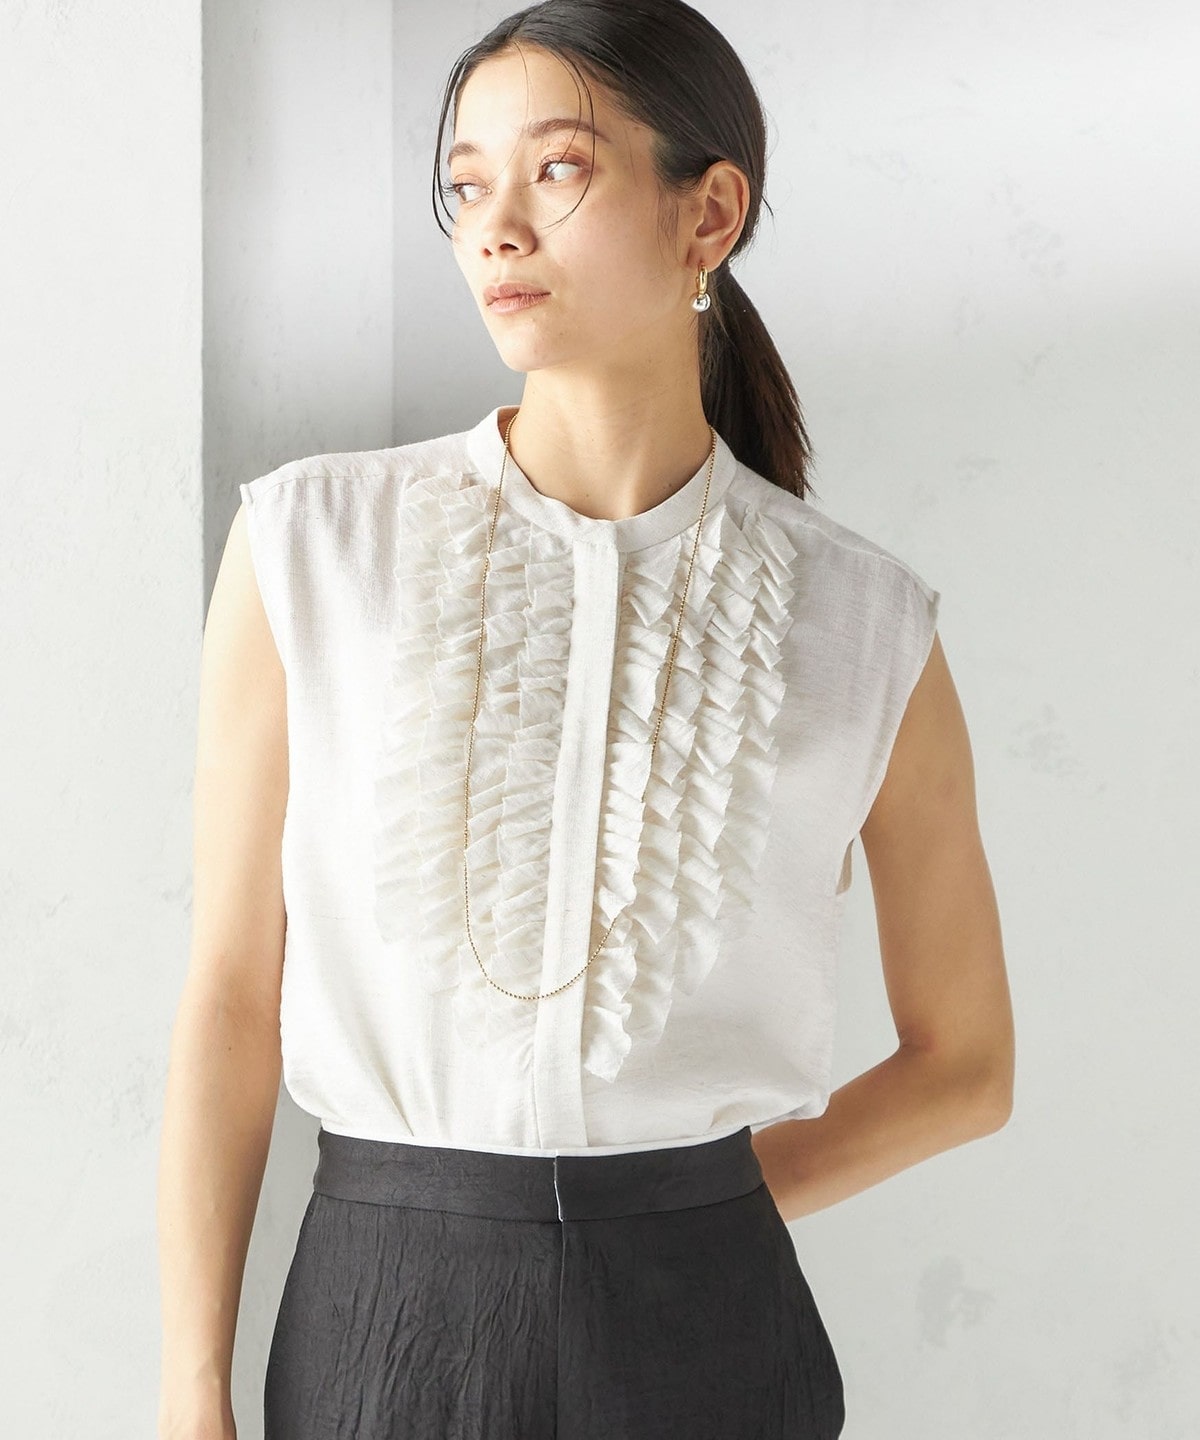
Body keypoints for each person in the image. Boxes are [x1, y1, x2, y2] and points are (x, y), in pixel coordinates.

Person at [157, 2, 1015, 1437]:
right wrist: (191, 1391)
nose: (495, 227)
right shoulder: (312, 548)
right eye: (465, 184)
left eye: (556, 169)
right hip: (382, 1314)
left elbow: (967, 1065)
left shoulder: (865, 627)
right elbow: (234, 996)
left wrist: (689, 1211)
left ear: (709, 214)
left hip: (709, 1331)